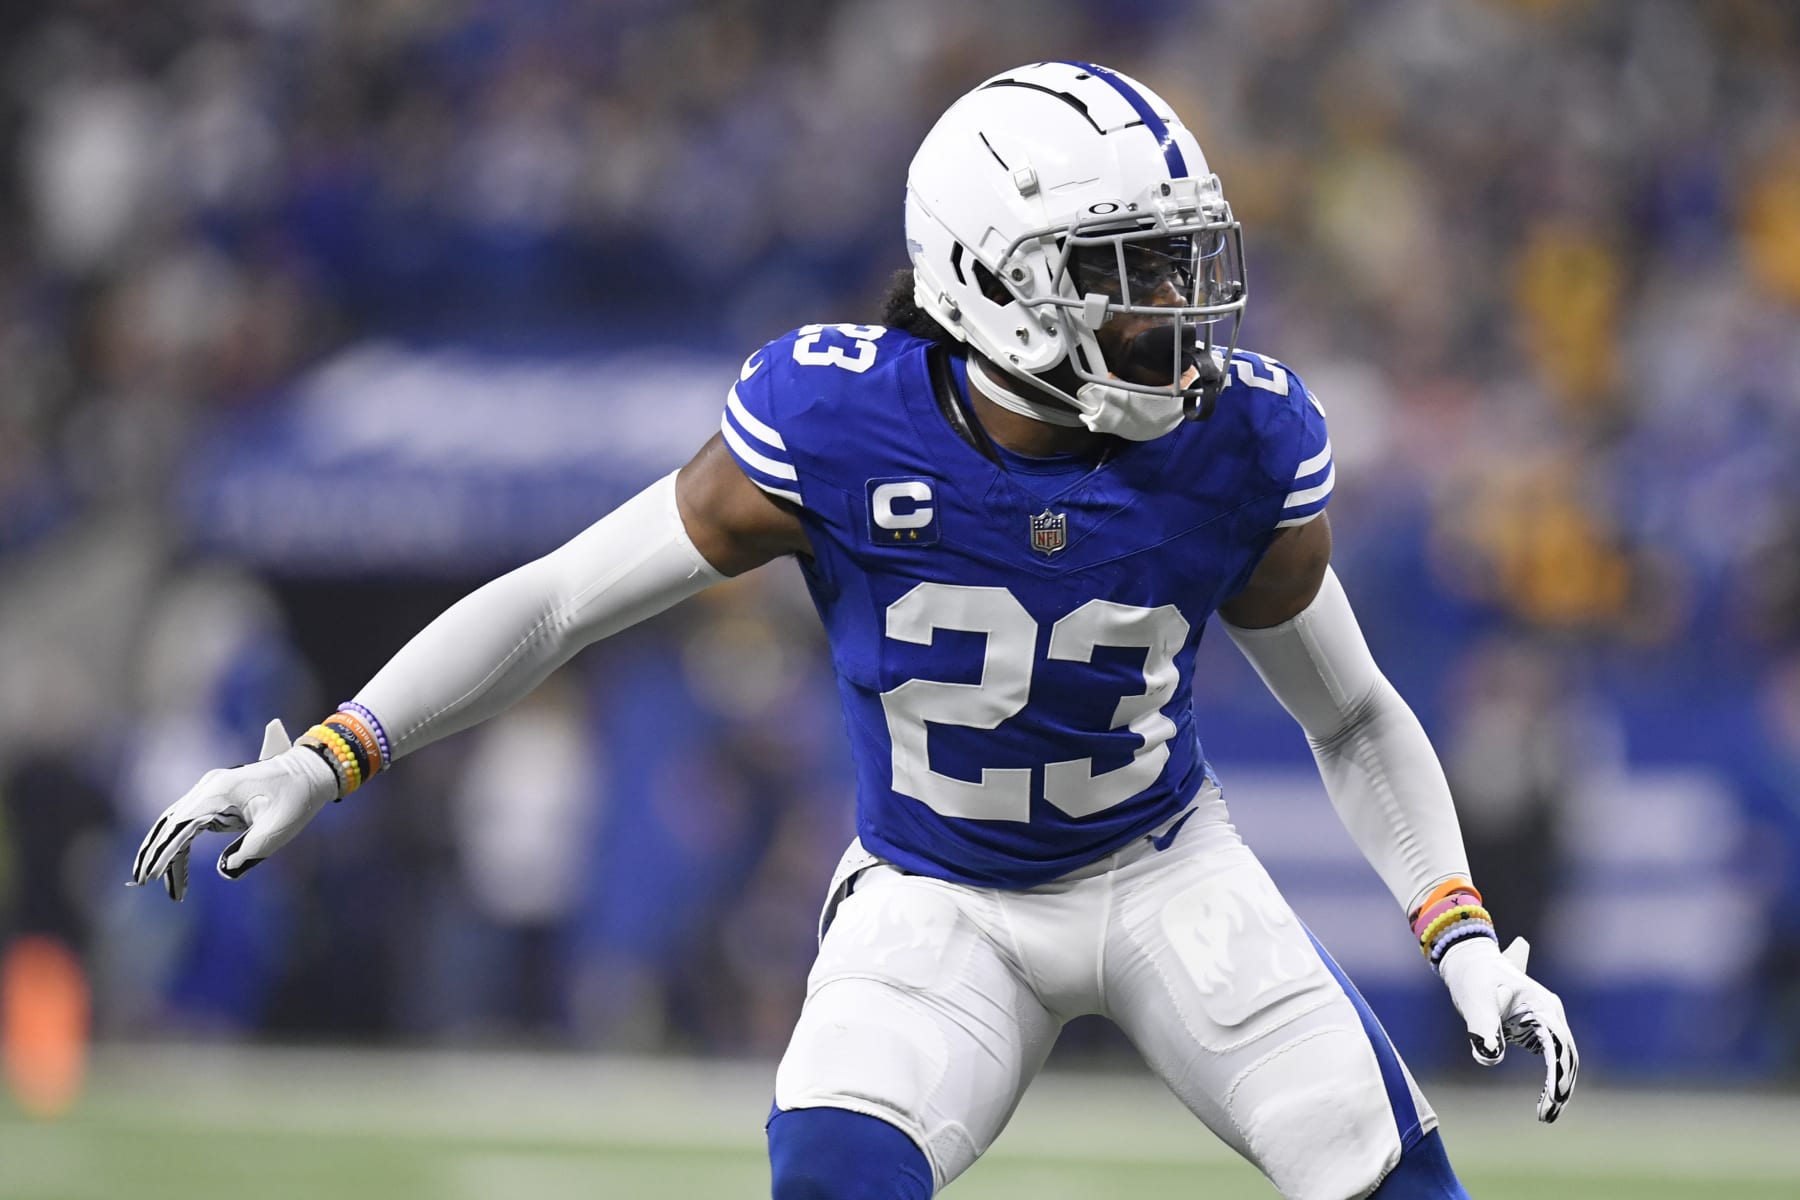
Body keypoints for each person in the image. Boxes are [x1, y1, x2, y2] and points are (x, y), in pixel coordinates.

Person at [131, 62, 1576, 1200]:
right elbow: (562, 596)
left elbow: (1354, 715)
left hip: (1163, 871)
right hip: (935, 893)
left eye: (1180, 266)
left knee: (1399, 1184)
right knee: (830, 1175)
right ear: (996, 283)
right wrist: (327, 758)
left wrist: (1459, 943)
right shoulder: (835, 424)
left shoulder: (1239, 440)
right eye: (1126, 275)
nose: (1177, 317)